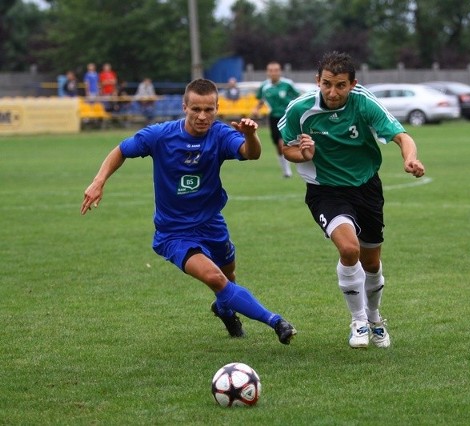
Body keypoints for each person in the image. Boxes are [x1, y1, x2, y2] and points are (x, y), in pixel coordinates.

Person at [81, 78, 297, 345]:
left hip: (211, 223)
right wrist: (99, 181)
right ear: (184, 107)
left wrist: (251, 135)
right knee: (215, 278)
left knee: (228, 277)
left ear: (217, 108)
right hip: (174, 233)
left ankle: (224, 310)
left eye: (209, 110)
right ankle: (276, 322)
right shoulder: (160, 135)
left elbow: (250, 154)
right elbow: (121, 150)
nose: (202, 116)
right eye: (196, 109)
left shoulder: (220, 134)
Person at [278, 51, 425, 349]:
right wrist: (303, 154)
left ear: (352, 84)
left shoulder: (364, 102)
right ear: (317, 81)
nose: (333, 92)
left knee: (372, 263)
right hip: (326, 191)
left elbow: (402, 136)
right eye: (327, 84)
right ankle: (357, 320)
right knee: (349, 249)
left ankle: (374, 318)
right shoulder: (300, 109)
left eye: (341, 85)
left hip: (366, 187)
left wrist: (410, 159)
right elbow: (286, 148)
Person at [251, 61, 300, 178]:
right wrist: (256, 109)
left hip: (287, 116)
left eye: (276, 70)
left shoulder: (288, 84)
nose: (274, 73)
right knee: (277, 145)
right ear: (267, 72)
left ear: (280, 71)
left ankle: (289, 170)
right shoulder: (264, 86)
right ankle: (285, 168)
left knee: (281, 142)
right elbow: (261, 99)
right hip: (273, 117)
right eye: (271, 70)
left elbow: (298, 96)